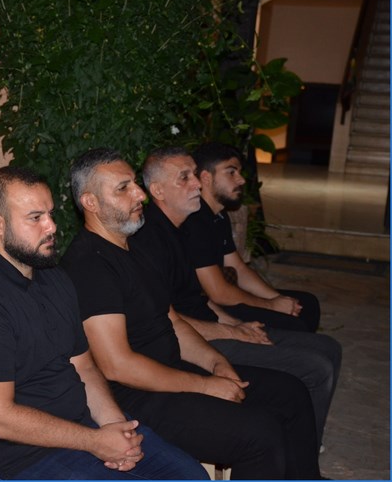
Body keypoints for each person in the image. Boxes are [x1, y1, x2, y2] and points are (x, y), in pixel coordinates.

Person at [0, 166, 207, 480]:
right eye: (35, 217)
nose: (51, 226)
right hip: (21, 460)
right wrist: (95, 442)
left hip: (83, 429)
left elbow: (84, 367)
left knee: (191, 475)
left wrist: (115, 428)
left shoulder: (52, 277)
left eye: (50, 213)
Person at [61, 148, 322, 480]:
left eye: (135, 184)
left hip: (172, 372)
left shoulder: (134, 247)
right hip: (136, 398)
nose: (140, 194)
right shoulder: (90, 266)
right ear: (91, 202)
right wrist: (204, 385)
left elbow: (172, 320)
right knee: (259, 433)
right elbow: (117, 365)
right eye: (123, 188)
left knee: (290, 392)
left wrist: (216, 363)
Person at [131, 146, 341, 448]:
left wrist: (237, 324)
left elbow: (201, 298)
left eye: (195, 175)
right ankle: (301, 455)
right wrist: (232, 331)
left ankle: (303, 449)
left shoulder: (179, 228)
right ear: (157, 191)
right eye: (185, 178)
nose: (197, 184)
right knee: (313, 369)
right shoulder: (148, 239)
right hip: (194, 344)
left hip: (209, 330)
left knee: (327, 348)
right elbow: (167, 320)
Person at [181, 142, 321, 333]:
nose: (241, 180)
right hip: (206, 307)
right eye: (231, 172)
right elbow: (219, 293)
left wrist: (278, 298)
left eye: (239, 172)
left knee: (307, 304)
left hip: (222, 297)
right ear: (206, 177)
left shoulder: (218, 216)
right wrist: (271, 305)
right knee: (294, 324)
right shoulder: (195, 221)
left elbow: (239, 268)